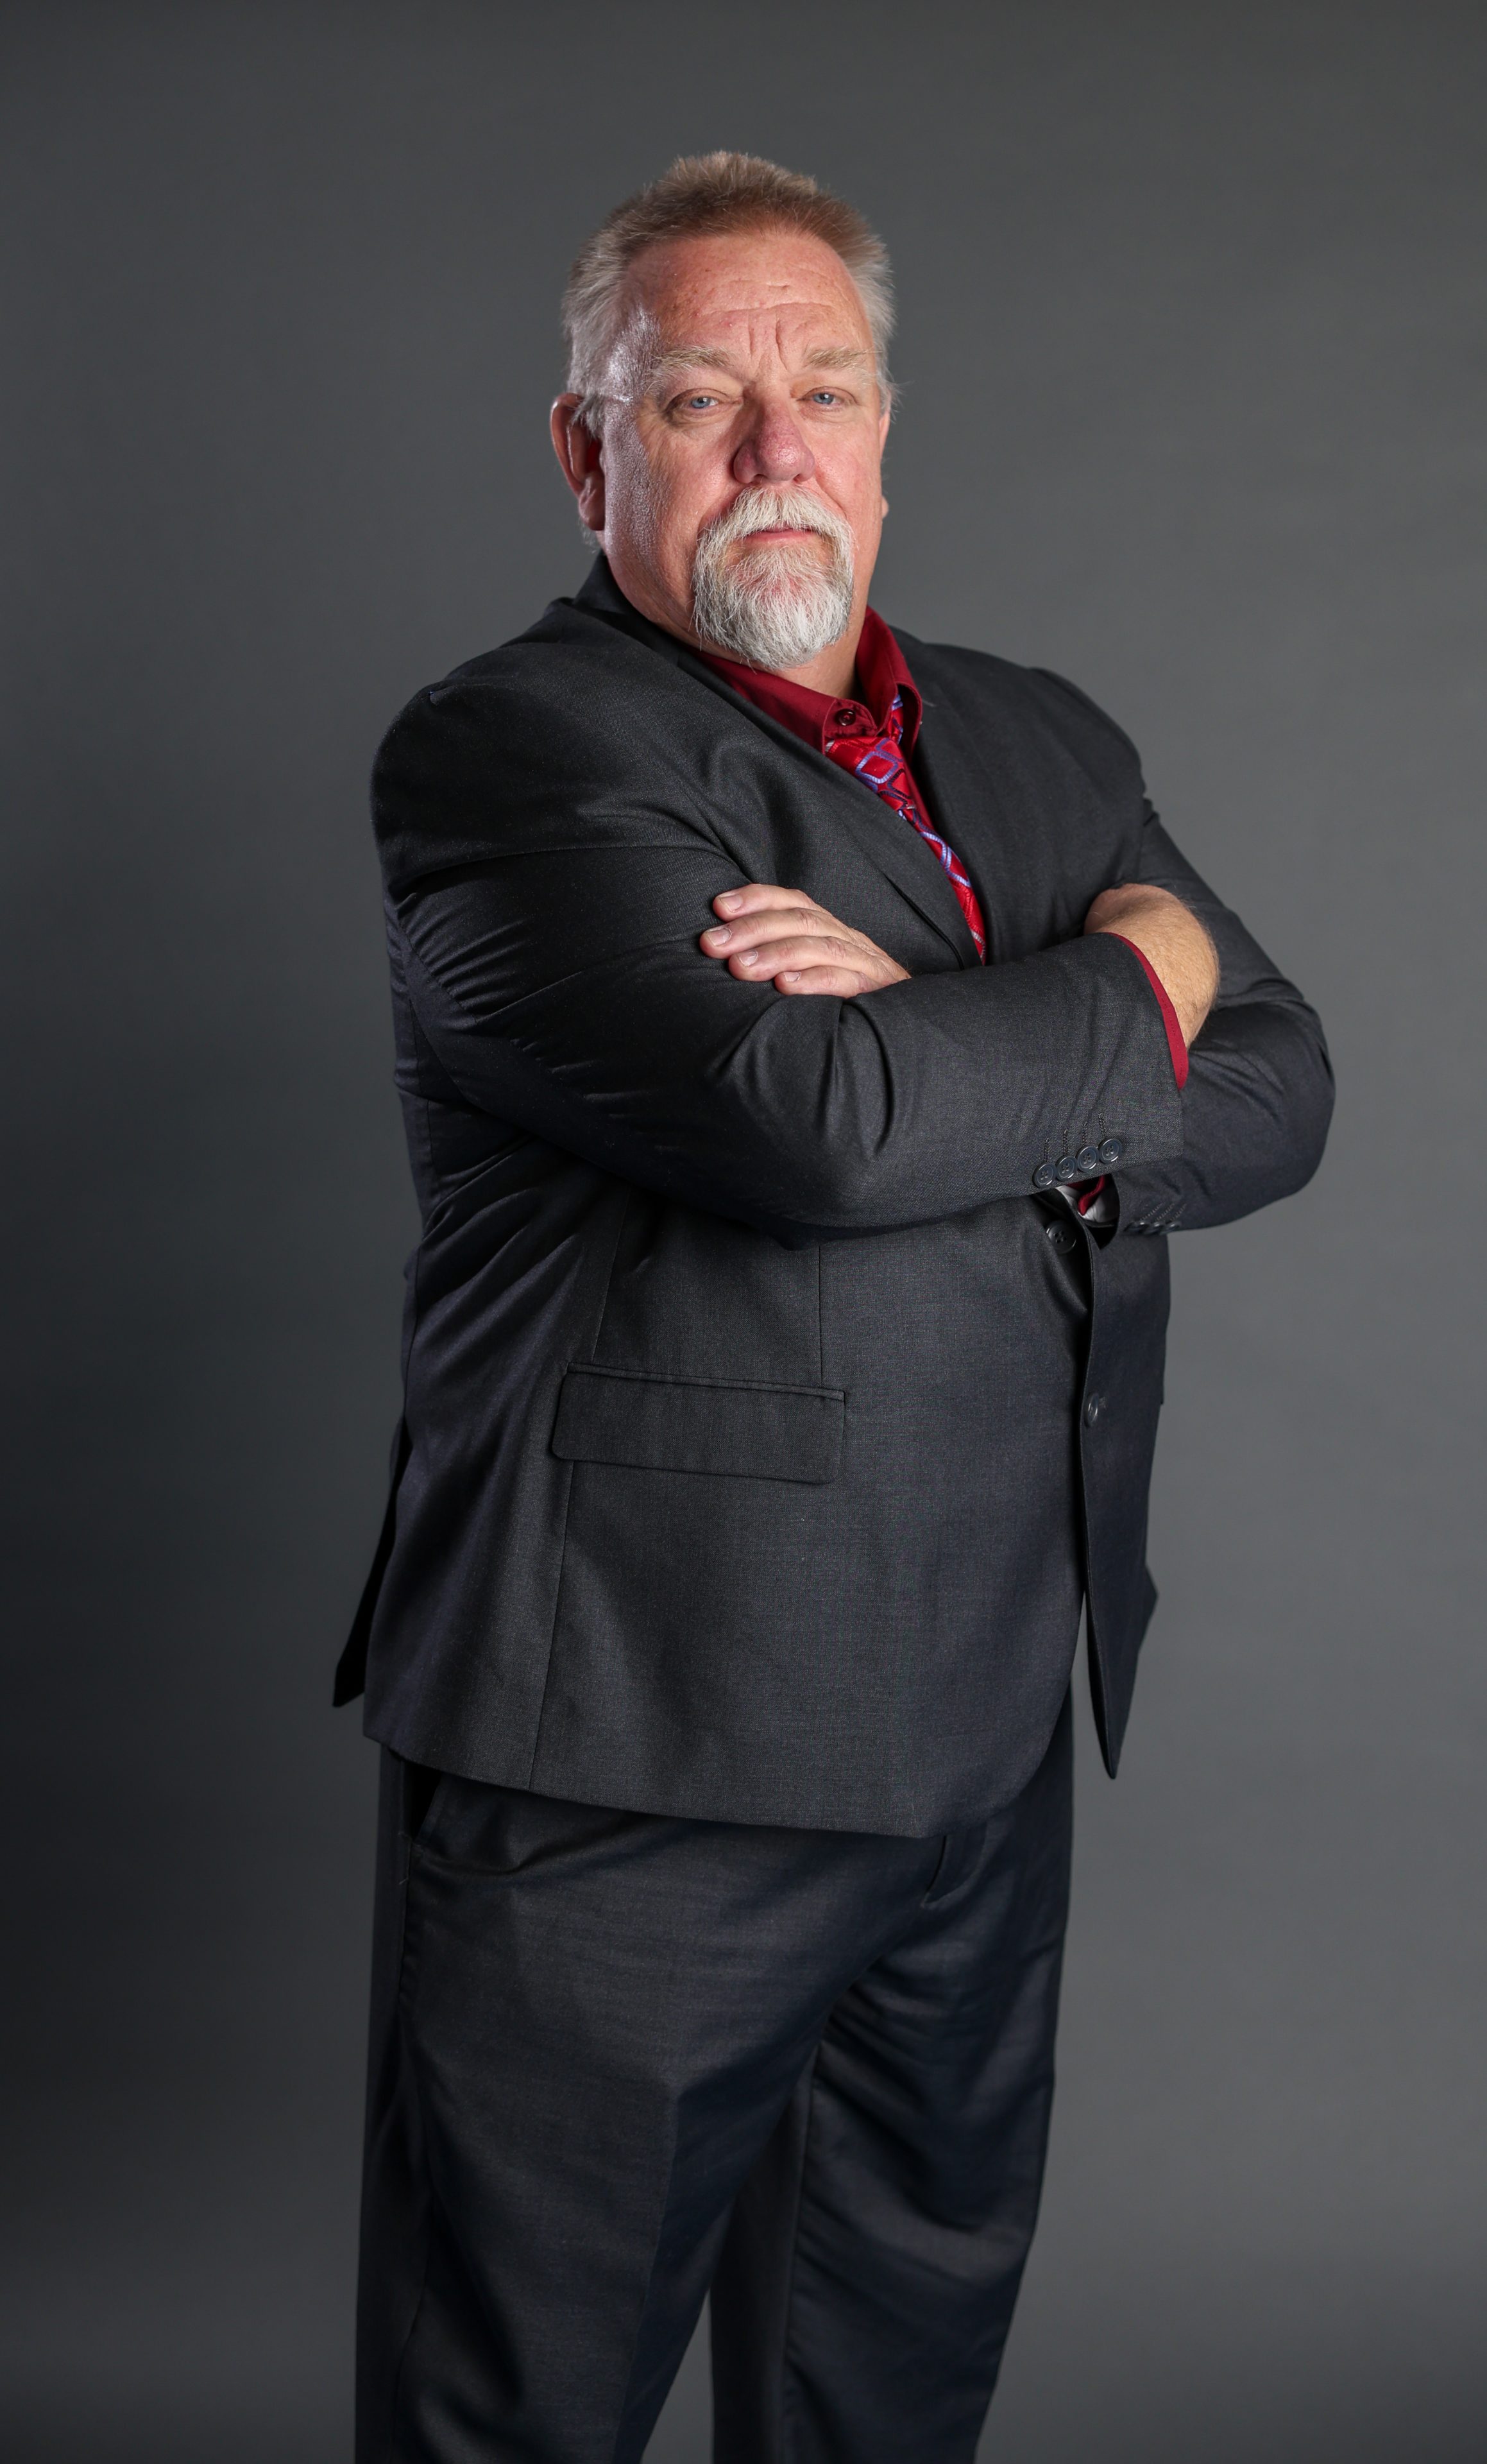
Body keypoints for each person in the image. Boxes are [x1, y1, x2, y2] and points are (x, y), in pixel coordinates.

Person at [337, 152, 1332, 2463]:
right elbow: (822, 1128)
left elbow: (1283, 1093)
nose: (780, 453)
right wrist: (1130, 975)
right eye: (701, 401)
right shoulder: (510, 756)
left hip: (986, 1726)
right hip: (638, 1753)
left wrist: (962, 1019)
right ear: (589, 453)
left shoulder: (1042, 739)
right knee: (521, 2412)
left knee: (888, 2395)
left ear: (890, 431)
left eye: (830, 391)